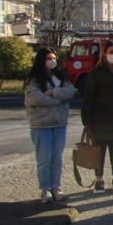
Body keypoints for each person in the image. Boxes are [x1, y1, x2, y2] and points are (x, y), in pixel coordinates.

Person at [81, 40, 113, 194]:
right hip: (100, 119)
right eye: (111, 52)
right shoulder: (95, 74)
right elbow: (88, 98)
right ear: (104, 53)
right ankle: (99, 180)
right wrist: (87, 120)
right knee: (100, 150)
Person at [24, 48, 75, 203]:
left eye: (54, 58)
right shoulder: (33, 80)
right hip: (41, 124)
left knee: (57, 158)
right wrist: (58, 99)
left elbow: (70, 91)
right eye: (48, 58)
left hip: (60, 123)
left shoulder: (60, 77)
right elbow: (36, 98)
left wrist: (52, 93)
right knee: (44, 159)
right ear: (41, 60)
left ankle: (55, 187)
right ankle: (44, 189)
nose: (52, 61)